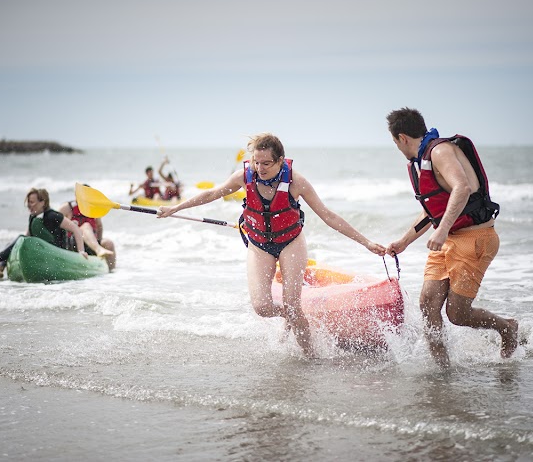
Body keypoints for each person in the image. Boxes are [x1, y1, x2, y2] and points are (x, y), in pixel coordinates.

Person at [157, 133, 385, 357]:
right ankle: (290, 317)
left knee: (293, 306)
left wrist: (366, 243)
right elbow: (212, 194)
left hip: (290, 243)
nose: (260, 168)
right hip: (259, 245)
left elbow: (328, 216)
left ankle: (312, 358)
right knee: (262, 307)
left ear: (280, 160)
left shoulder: (296, 182)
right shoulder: (244, 177)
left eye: (266, 163)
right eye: (256, 162)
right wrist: (175, 208)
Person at [385, 107, 517, 367]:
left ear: (402, 138)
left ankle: (507, 327)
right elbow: (432, 210)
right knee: (427, 303)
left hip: (475, 237)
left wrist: (442, 230)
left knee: (457, 314)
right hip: (448, 240)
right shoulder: (419, 163)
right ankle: (442, 370)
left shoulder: (439, 151)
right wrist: (403, 242)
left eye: (394, 142)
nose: (397, 147)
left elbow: (462, 188)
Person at [0, 188, 88, 278]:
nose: (29, 205)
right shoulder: (33, 217)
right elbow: (26, 237)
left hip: (57, 253)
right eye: (28, 202)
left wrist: (81, 251)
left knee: (24, 235)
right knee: (14, 242)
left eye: (32, 202)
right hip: (42, 251)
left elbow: (76, 229)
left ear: (43, 202)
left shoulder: (53, 215)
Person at [59, 195, 116, 271]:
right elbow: (56, 222)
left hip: (91, 243)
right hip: (74, 243)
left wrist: (99, 240)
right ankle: (98, 250)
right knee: (86, 226)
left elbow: (99, 226)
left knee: (109, 243)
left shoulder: (93, 208)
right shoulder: (67, 207)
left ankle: (110, 272)